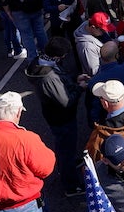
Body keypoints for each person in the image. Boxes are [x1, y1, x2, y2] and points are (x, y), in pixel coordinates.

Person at [24, 37, 83, 197]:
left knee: (66, 147)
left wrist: (73, 81)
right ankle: (71, 185)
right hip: (62, 117)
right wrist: (79, 88)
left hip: (52, 114)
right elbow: (66, 101)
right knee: (65, 149)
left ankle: (69, 165)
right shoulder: (48, 77)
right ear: (58, 56)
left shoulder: (39, 61)